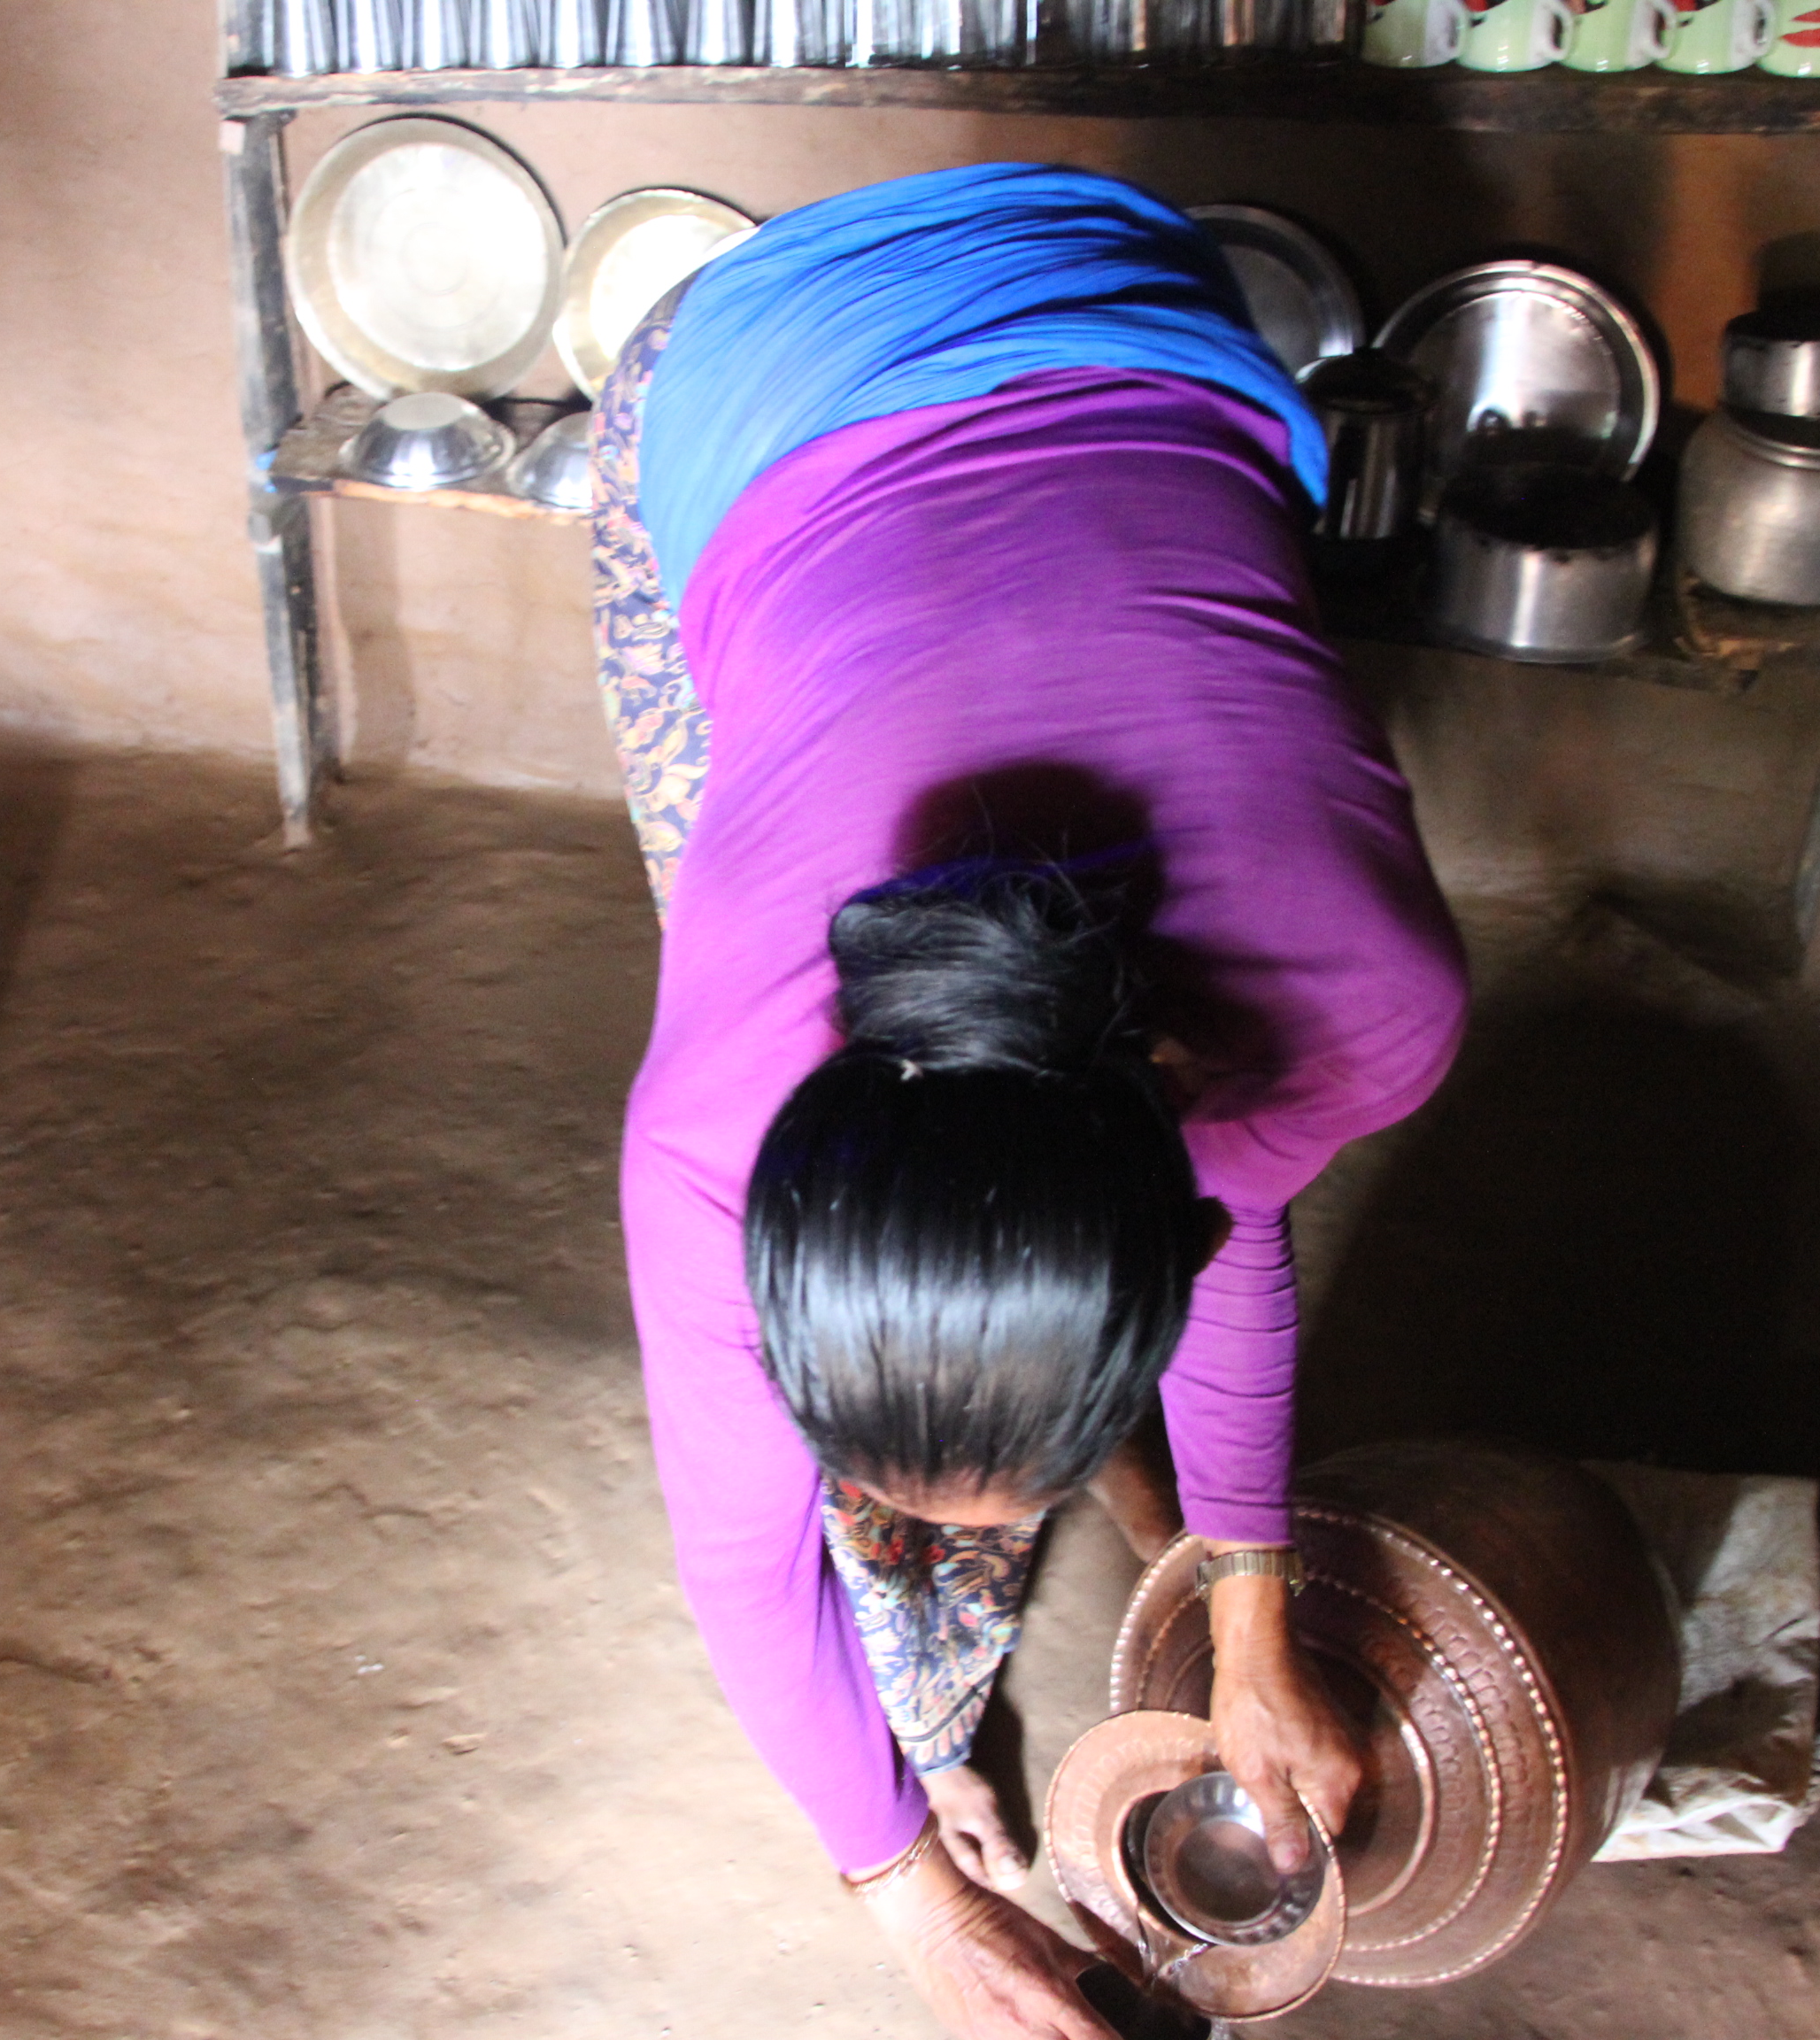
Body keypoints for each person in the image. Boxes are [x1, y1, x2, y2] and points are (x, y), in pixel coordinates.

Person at [591, 164, 1469, 2040]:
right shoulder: (712, 1137)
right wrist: (901, 1883)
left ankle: (985, 1626)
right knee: (871, 1504)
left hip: (1093, 290)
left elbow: (1232, 1232)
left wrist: (1254, 1624)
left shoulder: (1366, 1003)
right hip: (793, 361)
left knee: (933, 1490)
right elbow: (740, 1554)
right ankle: (931, 1690)